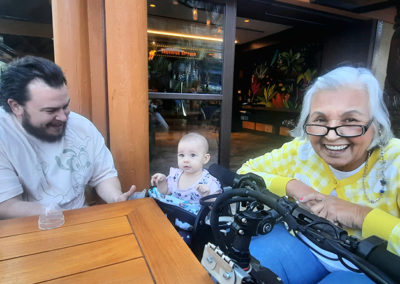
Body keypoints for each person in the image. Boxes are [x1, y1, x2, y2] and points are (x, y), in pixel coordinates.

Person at [238, 66, 400, 283]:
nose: (331, 136)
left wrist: (361, 215)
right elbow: (244, 172)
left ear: (377, 125)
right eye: (320, 120)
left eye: (350, 120)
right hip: (305, 244)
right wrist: (293, 186)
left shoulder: (395, 160)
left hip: (371, 267)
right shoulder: (301, 150)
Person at [0, 56, 136, 219]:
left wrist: (115, 197)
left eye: (65, 106)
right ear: (16, 106)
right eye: (51, 111)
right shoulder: (4, 135)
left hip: (80, 219)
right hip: (29, 229)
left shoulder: (80, 125)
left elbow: (103, 175)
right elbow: (7, 205)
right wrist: (59, 215)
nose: (63, 118)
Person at [151, 132, 222, 204]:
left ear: (205, 159)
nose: (185, 160)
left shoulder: (208, 182)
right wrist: (161, 182)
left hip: (193, 215)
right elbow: (165, 192)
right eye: (181, 155)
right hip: (173, 213)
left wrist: (207, 195)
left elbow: (216, 207)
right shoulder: (175, 176)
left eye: (193, 155)